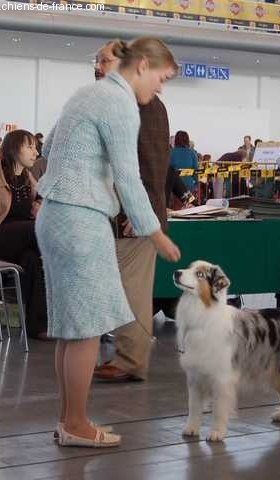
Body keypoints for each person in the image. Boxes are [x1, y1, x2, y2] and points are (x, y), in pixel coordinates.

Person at [35, 37, 180, 448]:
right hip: (81, 217)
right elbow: (129, 178)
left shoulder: (88, 93)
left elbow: (48, 147)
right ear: (143, 65)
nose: (161, 87)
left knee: (71, 329)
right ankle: (77, 423)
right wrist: (155, 232)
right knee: (86, 329)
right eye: (162, 77)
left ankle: (69, 420)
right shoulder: (120, 103)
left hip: (56, 213)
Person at [92, 39, 175, 382]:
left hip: (133, 218)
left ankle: (130, 361)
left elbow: (148, 166)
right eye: (97, 61)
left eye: (104, 61)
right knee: (127, 290)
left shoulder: (143, 105)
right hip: (125, 214)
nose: (98, 68)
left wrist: (137, 212)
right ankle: (127, 358)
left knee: (132, 291)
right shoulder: (129, 102)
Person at [0, 130, 48, 339]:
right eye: (29, 146)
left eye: (35, 147)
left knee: (33, 260)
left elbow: (41, 202)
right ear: (14, 149)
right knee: (38, 230)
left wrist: (40, 204)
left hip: (24, 240)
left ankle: (37, 326)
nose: (35, 151)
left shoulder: (28, 178)